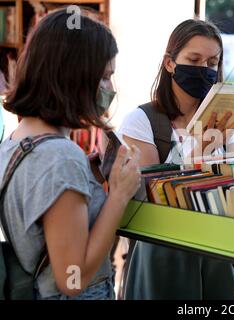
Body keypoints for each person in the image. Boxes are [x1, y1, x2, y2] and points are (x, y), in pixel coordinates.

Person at [119, 19, 234, 300]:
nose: (204, 69)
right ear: (170, 63)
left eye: (212, 62)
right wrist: (199, 145)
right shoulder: (142, 121)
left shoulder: (222, 117)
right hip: (164, 255)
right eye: (194, 59)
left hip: (217, 250)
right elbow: (146, 200)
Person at [0, 9, 141, 300]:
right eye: (103, 77)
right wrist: (118, 195)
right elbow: (72, 279)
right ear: (71, 75)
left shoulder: (15, 140)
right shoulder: (60, 158)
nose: (110, 89)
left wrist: (88, 179)